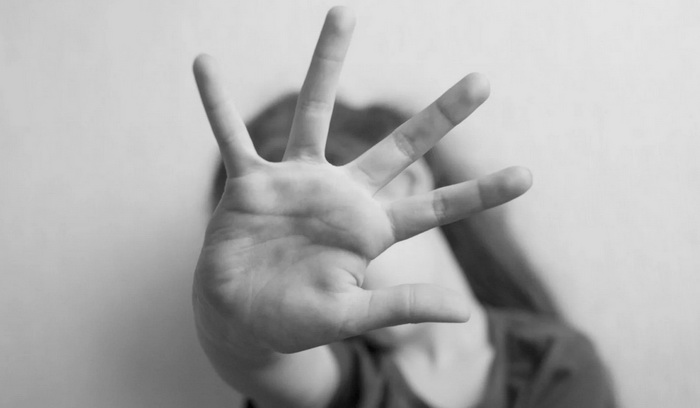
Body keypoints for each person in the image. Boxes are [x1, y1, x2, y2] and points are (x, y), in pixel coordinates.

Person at [191, 7, 615, 408]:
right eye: (279, 259)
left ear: (407, 182)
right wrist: (236, 336)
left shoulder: (554, 364)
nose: (317, 277)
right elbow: (273, 371)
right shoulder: (348, 379)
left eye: (317, 233)